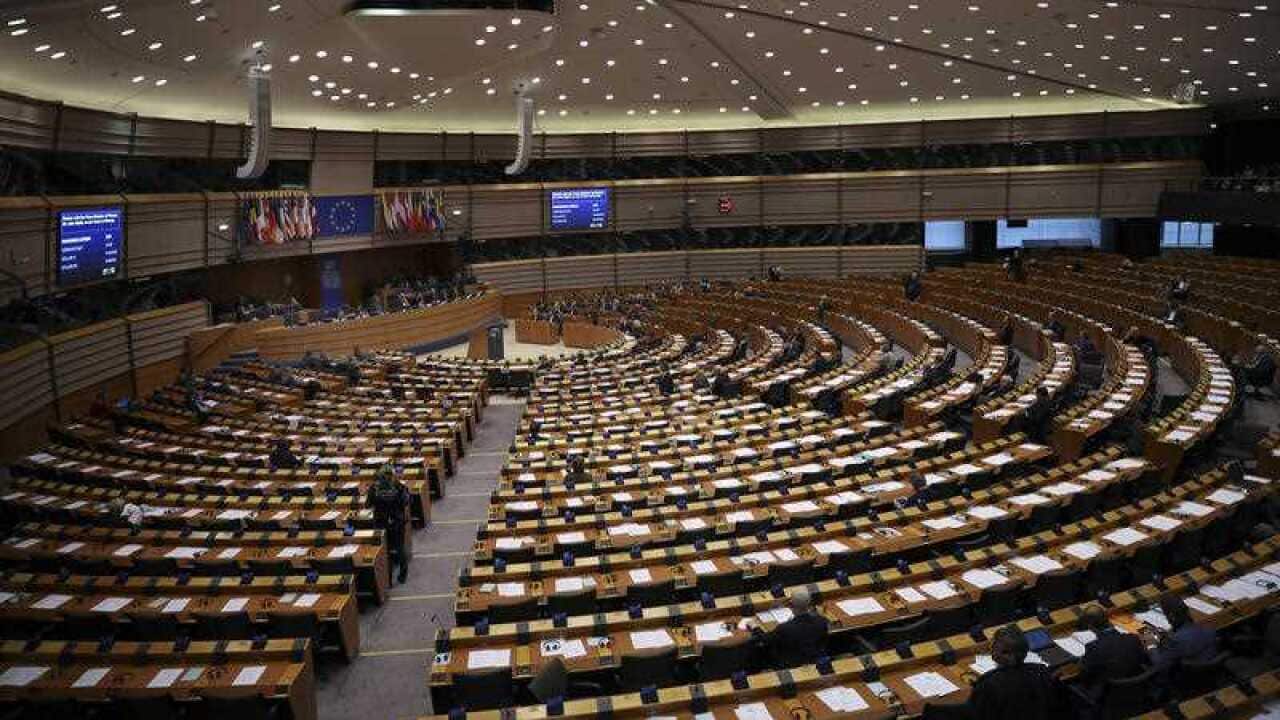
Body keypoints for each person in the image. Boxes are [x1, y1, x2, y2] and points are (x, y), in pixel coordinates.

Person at [968, 625, 1071, 720]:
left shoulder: (988, 684)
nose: (991, 646)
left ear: (999, 653)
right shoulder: (1041, 671)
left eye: (994, 644)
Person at [1076, 605, 1150, 702]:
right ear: (1108, 620)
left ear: (1090, 626)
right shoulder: (1133, 638)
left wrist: (1081, 661)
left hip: (1108, 696)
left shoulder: (1093, 648)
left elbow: (1084, 676)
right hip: (1138, 691)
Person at [751, 589, 829, 668]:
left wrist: (754, 627)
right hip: (814, 660)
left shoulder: (784, 628)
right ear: (809, 604)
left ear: (791, 605)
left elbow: (764, 639)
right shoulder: (822, 621)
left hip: (791, 664)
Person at [1151, 595, 1219, 676]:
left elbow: (1161, 665)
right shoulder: (1209, 628)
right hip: (1213, 672)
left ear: (1172, 617)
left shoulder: (1175, 640)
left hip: (1188, 678)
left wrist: (1151, 646)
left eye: (1166, 616)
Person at [367, 465, 411, 584]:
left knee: (384, 551)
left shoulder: (374, 488)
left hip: (380, 523)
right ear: (392, 475)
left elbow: (367, 505)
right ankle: (402, 575)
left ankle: (388, 580)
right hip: (396, 522)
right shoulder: (400, 487)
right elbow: (406, 502)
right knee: (399, 548)